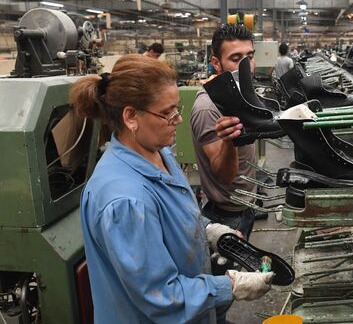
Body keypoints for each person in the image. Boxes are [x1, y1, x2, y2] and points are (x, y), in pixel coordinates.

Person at [70, 54, 272, 324]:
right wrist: (230, 286)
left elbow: (173, 211)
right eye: (167, 112)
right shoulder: (124, 200)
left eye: (177, 109)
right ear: (131, 117)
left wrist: (207, 229)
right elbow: (161, 296)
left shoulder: (158, 153)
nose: (177, 120)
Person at [190, 24, 257, 324]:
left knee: (230, 287)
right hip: (226, 215)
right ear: (216, 63)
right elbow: (224, 173)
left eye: (250, 56)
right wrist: (230, 140)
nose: (246, 65)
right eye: (236, 58)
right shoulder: (208, 108)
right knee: (220, 290)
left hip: (246, 208)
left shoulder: (242, 94)